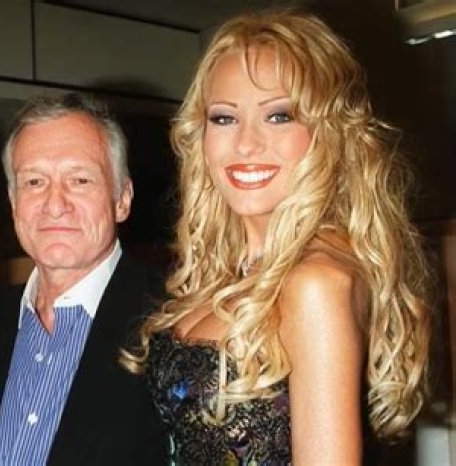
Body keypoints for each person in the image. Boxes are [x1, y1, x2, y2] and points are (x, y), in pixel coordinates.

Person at [121, 9, 432, 465]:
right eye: (224, 118)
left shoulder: (315, 283)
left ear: (328, 134)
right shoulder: (234, 270)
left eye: (279, 116)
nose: (246, 143)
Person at [0, 92, 166, 465]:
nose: (55, 204)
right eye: (34, 181)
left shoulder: (175, 320)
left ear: (122, 199)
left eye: (80, 180)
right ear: (13, 201)